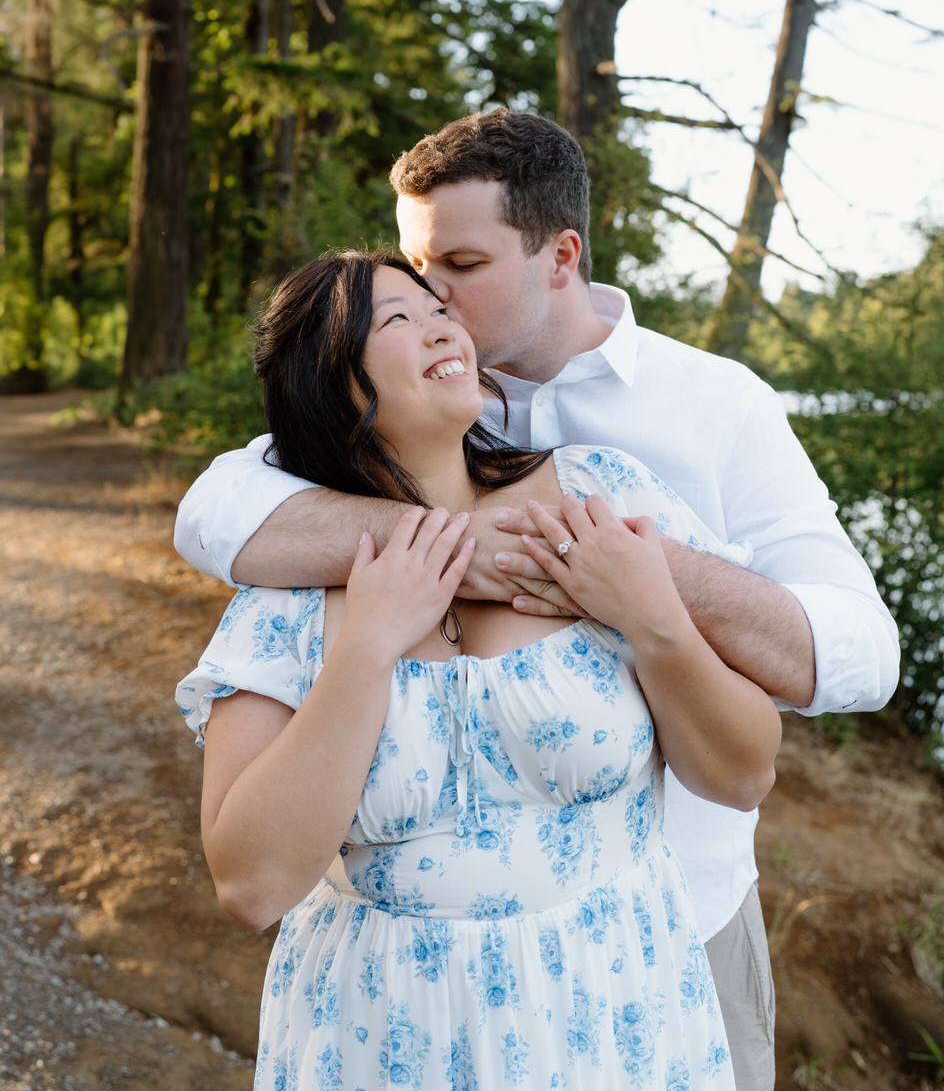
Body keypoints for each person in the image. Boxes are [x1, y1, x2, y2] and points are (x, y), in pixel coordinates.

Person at [174, 109, 899, 1091]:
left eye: (458, 269)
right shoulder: (309, 535)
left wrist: (647, 586)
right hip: (396, 1017)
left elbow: (859, 655)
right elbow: (214, 510)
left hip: (664, 940)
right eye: (413, 282)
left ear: (561, 256)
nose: (437, 302)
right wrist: (432, 554)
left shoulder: (711, 412)